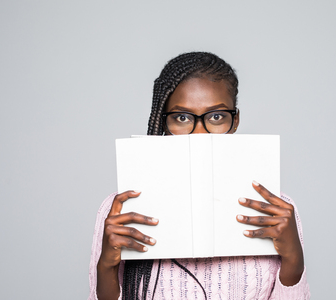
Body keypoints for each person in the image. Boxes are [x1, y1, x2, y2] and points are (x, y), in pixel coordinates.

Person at [88, 52, 310, 300]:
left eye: (216, 116)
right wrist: (106, 267)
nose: (200, 133)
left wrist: (293, 261)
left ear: (235, 121)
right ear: (163, 124)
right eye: (182, 117)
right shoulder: (119, 210)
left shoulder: (278, 211)